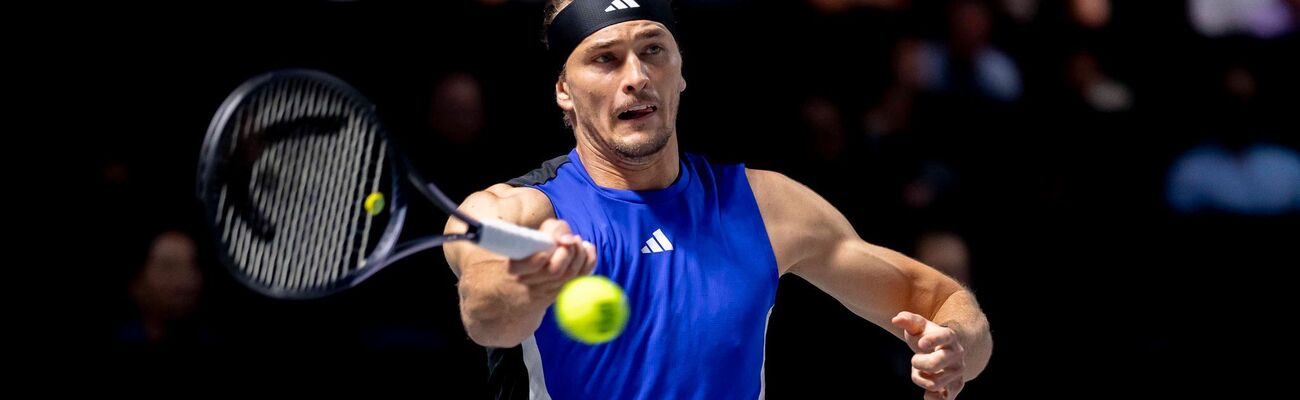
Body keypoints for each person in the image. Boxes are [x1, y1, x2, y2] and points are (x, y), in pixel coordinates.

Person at [443, 1, 992, 398]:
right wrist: (527, 285)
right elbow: (488, 316)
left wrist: (957, 348)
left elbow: (942, 302)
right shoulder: (517, 213)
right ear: (564, 88)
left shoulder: (767, 206)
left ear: (680, 72)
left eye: (653, 50)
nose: (636, 76)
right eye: (606, 59)